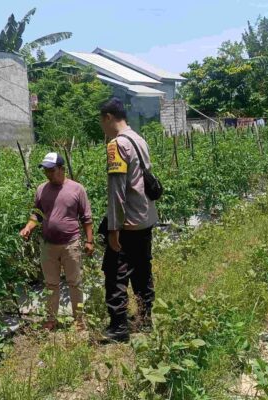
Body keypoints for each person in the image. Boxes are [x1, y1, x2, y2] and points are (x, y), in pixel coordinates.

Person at [99, 98, 158, 342]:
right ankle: (145, 320)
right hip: (145, 217)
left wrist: (113, 228)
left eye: (101, 122)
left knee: (115, 274)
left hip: (128, 223)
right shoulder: (139, 139)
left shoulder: (117, 145)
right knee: (142, 271)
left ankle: (119, 328)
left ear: (108, 118)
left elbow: (117, 190)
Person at [20, 152, 94, 331]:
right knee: (51, 284)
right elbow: (37, 214)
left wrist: (90, 241)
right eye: (45, 171)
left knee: (74, 283)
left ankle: (79, 319)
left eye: (51, 170)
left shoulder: (77, 189)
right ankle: (51, 319)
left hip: (70, 244)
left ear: (62, 169)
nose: (48, 174)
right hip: (48, 245)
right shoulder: (41, 189)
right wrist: (29, 227)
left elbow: (86, 217)